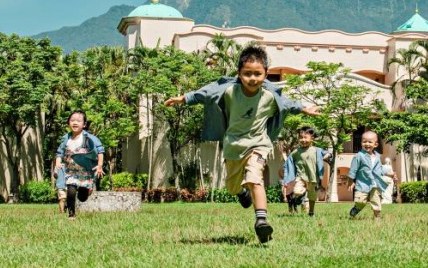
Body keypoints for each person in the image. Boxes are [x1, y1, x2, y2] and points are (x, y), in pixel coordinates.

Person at [164, 46, 319, 243]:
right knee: (232, 187)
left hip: (259, 145)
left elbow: (288, 103)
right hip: (233, 146)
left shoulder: (270, 95)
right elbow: (206, 93)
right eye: (247, 73)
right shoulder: (229, 90)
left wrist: (306, 109)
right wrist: (183, 98)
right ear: (239, 73)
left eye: (258, 73)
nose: (252, 78)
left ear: (265, 74)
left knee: (255, 179)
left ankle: (261, 221)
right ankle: (241, 194)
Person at [54, 111, 105, 220]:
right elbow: (60, 152)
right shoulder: (66, 138)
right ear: (68, 123)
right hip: (71, 171)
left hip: (85, 171)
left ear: (84, 124)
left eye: (78, 120)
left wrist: (99, 165)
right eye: (72, 120)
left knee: (82, 197)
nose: (75, 122)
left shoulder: (89, 138)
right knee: (71, 191)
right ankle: (71, 215)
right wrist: (58, 162)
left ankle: (83, 192)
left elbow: (100, 150)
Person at [282, 126, 332, 217]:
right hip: (300, 177)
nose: (303, 140)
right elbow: (288, 162)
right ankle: (299, 198)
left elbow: (327, 153)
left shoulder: (317, 150)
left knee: (312, 196)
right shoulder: (296, 152)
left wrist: (327, 156)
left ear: (312, 138)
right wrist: (287, 178)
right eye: (301, 137)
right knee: (297, 191)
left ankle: (311, 212)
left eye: (305, 137)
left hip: (313, 178)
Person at [347, 131, 395, 219]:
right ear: (361, 143)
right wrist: (350, 181)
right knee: (360, 201)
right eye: (364, 141)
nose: (367, 144)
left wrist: (389, 174)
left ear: (375, 144)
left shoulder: (377, 156)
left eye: (370, 142)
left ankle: (377, 216)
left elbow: (380, 168)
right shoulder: (359, 156)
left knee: (376, 200)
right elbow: (353, 169)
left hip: (375, 183)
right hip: (363, 183)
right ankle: (357, 208)